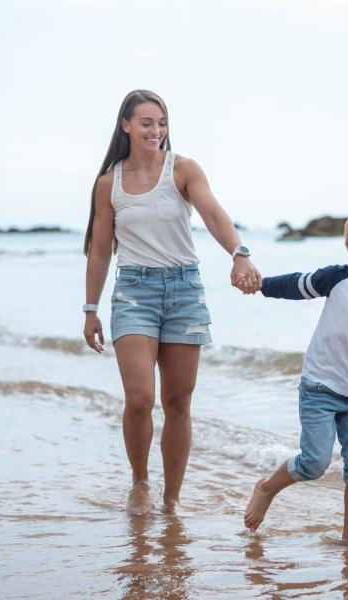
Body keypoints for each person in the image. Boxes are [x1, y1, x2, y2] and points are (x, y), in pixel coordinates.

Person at [82, 90, 261, 514]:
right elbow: (101, 249)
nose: (156, 131)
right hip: (133, 293)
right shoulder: (109, 183)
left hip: (184, 291)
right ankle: (140, 482)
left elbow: (215, 215)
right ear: (126, 125)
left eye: (161, 122)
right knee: (140, 398)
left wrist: (240, 253)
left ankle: (172, 498)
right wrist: (90, 309)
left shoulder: (182, 169)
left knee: (179, 403)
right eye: (146, 123)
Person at [243, 207, 348, 544]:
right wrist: (260, 286)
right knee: (314, 463)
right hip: (319, 388)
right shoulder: (339, 278)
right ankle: (267, 489)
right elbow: (297, 285)